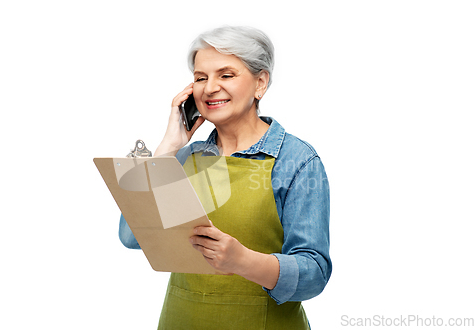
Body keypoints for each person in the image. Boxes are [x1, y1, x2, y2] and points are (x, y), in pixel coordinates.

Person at [118, 25, 331, 330]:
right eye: (200, 78)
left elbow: (314, 273)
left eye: (226, 75)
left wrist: (242, 261)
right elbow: (131, 236)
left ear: (260, 83)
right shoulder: (186, 158)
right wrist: (167, 149)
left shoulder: (296, 161)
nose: (209, 88)